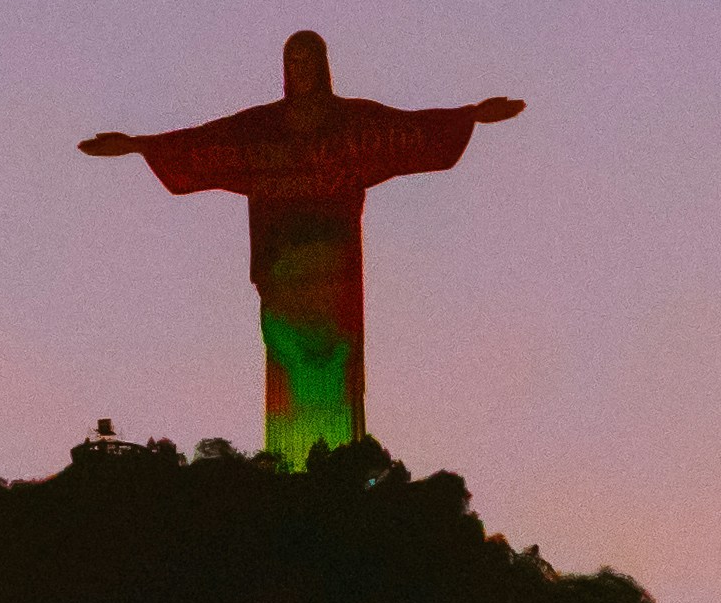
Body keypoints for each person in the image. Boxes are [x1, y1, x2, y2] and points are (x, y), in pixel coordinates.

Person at [82, 30, 524, 462]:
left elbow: (406, 128)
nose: (300, 69)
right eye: (292, 61)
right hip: (285, 276)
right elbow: (206, 142)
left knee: (337, 372)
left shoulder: (352, 123)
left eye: (308, 60)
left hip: (334, 278)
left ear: (323, 66)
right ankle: (290, 471)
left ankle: (340, 469)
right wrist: (140, 145)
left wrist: (470, 115)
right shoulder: (262, 129)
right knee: (288, 372)